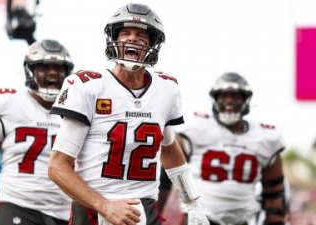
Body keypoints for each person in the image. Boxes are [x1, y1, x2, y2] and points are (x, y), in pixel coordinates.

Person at [48, 3, 209, 225]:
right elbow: (57, 166)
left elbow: (170, 150)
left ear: (153, 44)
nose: (132, 39)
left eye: (141, 35)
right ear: (114, 39)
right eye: (125, 33)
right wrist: (105, 205)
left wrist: (193, 204)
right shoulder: (88, 86)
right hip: (94, 210)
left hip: (145, 210)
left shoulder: (166, 89)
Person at [0, 39, 75, 225]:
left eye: (58, 68)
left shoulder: (78, 109)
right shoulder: (8, 105)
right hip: (18, 205)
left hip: (66, 212)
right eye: (44, 67)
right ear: (30, 71)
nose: (52, 73)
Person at [174, 72, 286, 225]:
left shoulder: (265, 137)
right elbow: (166, 174)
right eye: (223, 96)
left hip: (243, 221)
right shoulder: (195, 128)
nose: (229, 102)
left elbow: (274, 193)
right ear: (214, 99)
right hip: (198, 220)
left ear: (246, 100)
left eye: (235, 97)